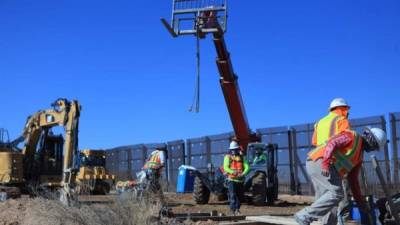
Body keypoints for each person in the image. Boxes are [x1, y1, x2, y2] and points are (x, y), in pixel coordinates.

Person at [295, 127, 387, 225]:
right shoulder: (352, 136)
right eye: (375, 146)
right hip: (320, 161)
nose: (373, 150)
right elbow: (332, 143)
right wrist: (325, 164)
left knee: (331, 200)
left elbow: (353, 180)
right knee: (337, 193)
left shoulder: (359, 157)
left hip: (326, 167)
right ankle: (304, 216)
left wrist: (360, 203)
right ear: (371, 140)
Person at [311, 98, 351, 224]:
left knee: (322, 196)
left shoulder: (319, 122)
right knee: (334, 196)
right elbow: (346, 138)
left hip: (316, 160)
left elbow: (314, 142)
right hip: (332, 161)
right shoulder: (341, 120)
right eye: (346, 109)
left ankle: (322, 222)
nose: (347, 112)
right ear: (342, 108)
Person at [223, 141, 250, 215]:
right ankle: (232, 210)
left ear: (237, 149)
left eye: (235, 149)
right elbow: (225, 167)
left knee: (240, 196)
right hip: (231, 180)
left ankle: (237, 209)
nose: (234, 151)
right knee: (232, 195)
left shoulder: (242, 157)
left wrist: (243, 173)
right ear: (230, 150)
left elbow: (247, 167)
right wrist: (232, 172)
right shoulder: (227, 157)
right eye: (232, 149)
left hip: (240, 180)